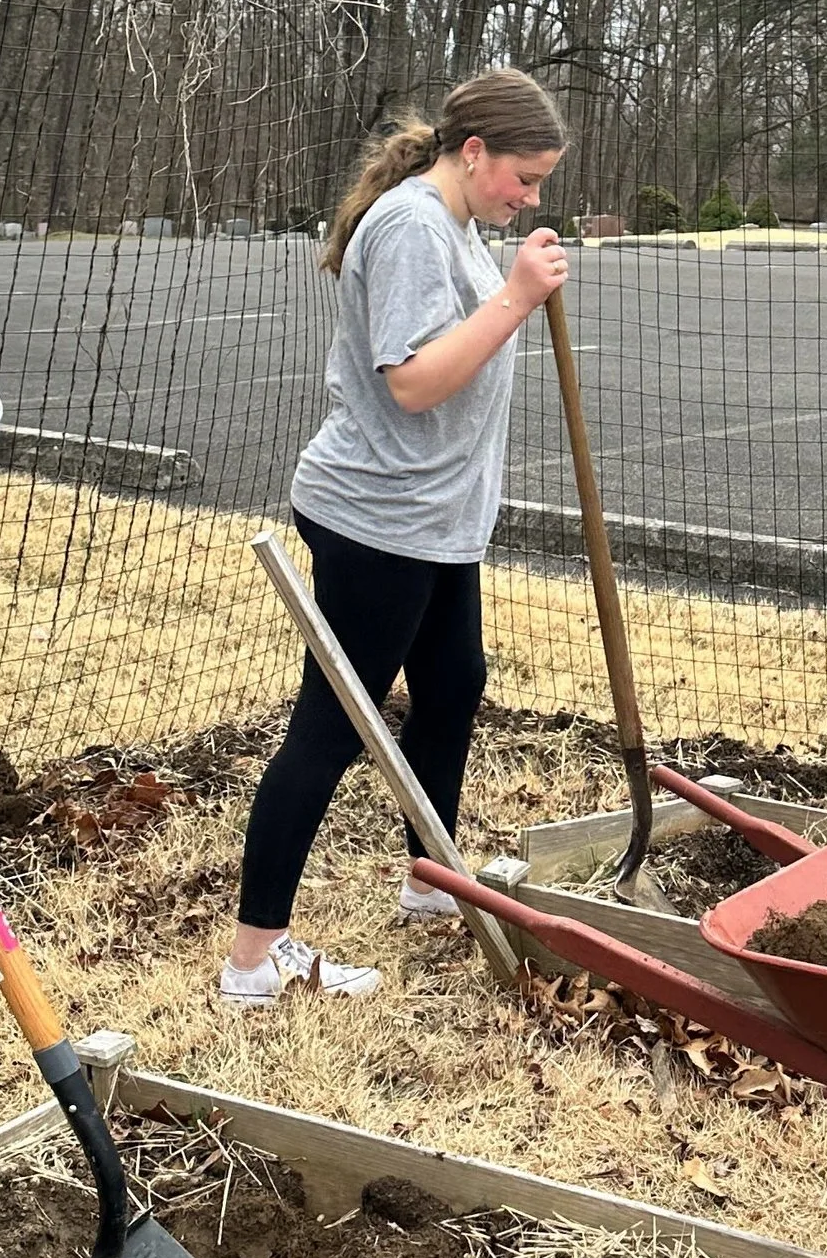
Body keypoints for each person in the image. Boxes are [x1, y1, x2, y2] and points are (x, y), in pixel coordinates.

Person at [225, 72, 569, 1003]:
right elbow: (414, 379)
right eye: (524, 178)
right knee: (334, 728)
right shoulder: (413, 225)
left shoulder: (452, 225)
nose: (529, 196)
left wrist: (510, 274)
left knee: (455, 687)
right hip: (378, 518)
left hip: (438, 520)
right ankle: (253, 960)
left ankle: (431, 878)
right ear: (473, 153)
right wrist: (517, 298)